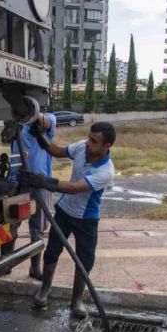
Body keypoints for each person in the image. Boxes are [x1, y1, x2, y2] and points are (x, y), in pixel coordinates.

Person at [18, 122, 115, 318]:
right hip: (64, 211)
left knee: (84, 259)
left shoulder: (105, 171)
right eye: (89, 137)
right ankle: (45, 290)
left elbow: (73, 187)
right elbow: (58, 151)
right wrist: (41, 136)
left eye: (94, 141)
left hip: (86, 219)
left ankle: (76, 300)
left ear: (107, 146)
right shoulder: (82, 147)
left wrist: (42, 181)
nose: (88, 143)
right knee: (52, 251)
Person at [7, 112, 57, 280]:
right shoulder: (16, 123)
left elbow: (47, 121)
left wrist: (31, 111)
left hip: (39, 183)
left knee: (37, 230)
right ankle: (5, 265)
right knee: (10, 225)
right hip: (17, 181)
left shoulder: (46, 120)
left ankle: (35, 268)